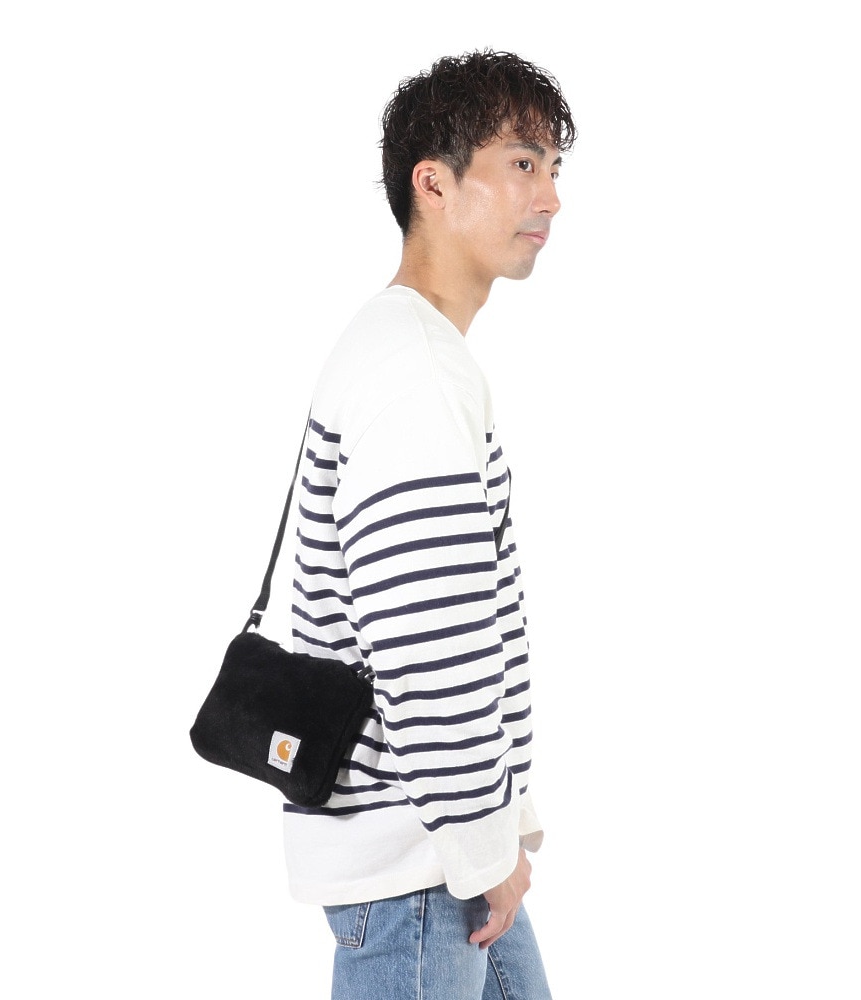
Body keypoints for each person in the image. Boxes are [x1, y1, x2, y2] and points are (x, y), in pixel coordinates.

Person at [285, 49, 576, 999]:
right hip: (423, 873)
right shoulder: (414, 370)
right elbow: (427, 640)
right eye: (522, 163)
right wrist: (486, 848)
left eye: (554, 168)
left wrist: (494, 833)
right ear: (434, 183)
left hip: (436, 855)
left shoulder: (406, 349)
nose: (550, 198)